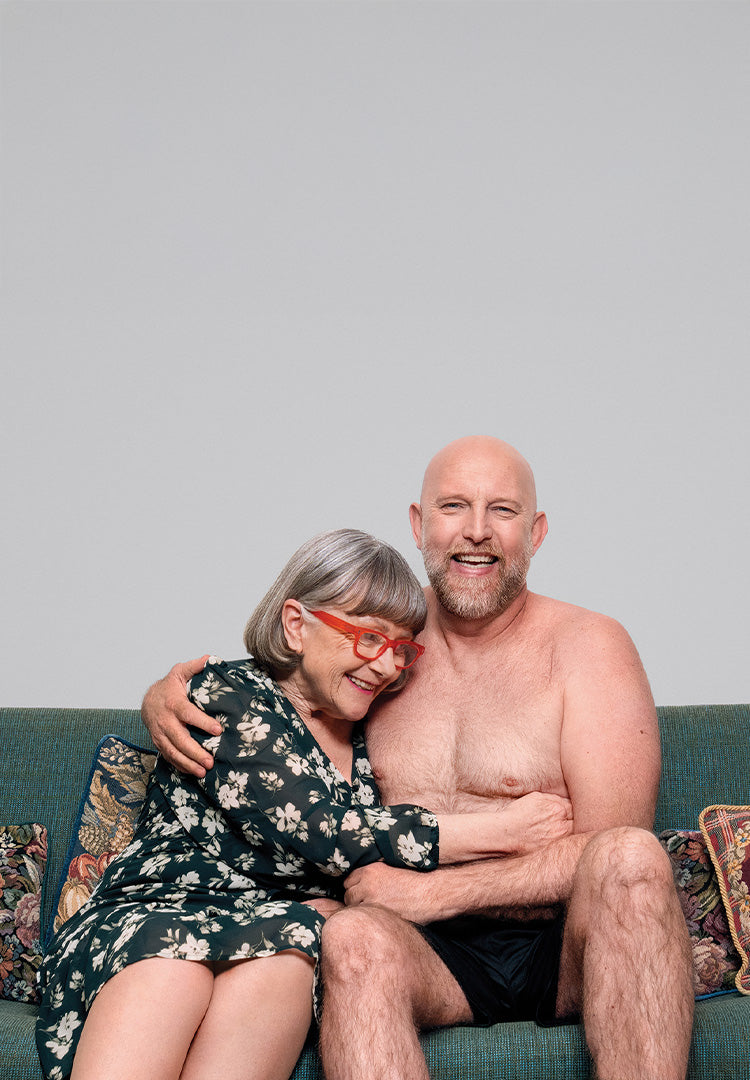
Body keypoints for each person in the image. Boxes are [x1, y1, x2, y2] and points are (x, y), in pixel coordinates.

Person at [142, 437, 695, 1080]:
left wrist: (431, 893)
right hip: (426, 955)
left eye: (504, 511)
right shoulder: (382, 651)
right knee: (350, 938)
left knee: (632, 859)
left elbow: (609, 842)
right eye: (454, 506)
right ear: (418, 523)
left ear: (537, 532)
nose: (477, 532)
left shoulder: (589, 645)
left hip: (563, 944)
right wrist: (160, 698)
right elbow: (275, 699)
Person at [36, 527, 573, 1080]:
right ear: (296, 625)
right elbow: (326, 830)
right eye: (368, 638)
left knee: (287, 968)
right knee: (175, 969)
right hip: (161, 916)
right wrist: (505, 830)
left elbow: (374, 872)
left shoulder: (374, 734)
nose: (387, 666)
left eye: (401, 648)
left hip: (282, 936)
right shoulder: (223, 696)